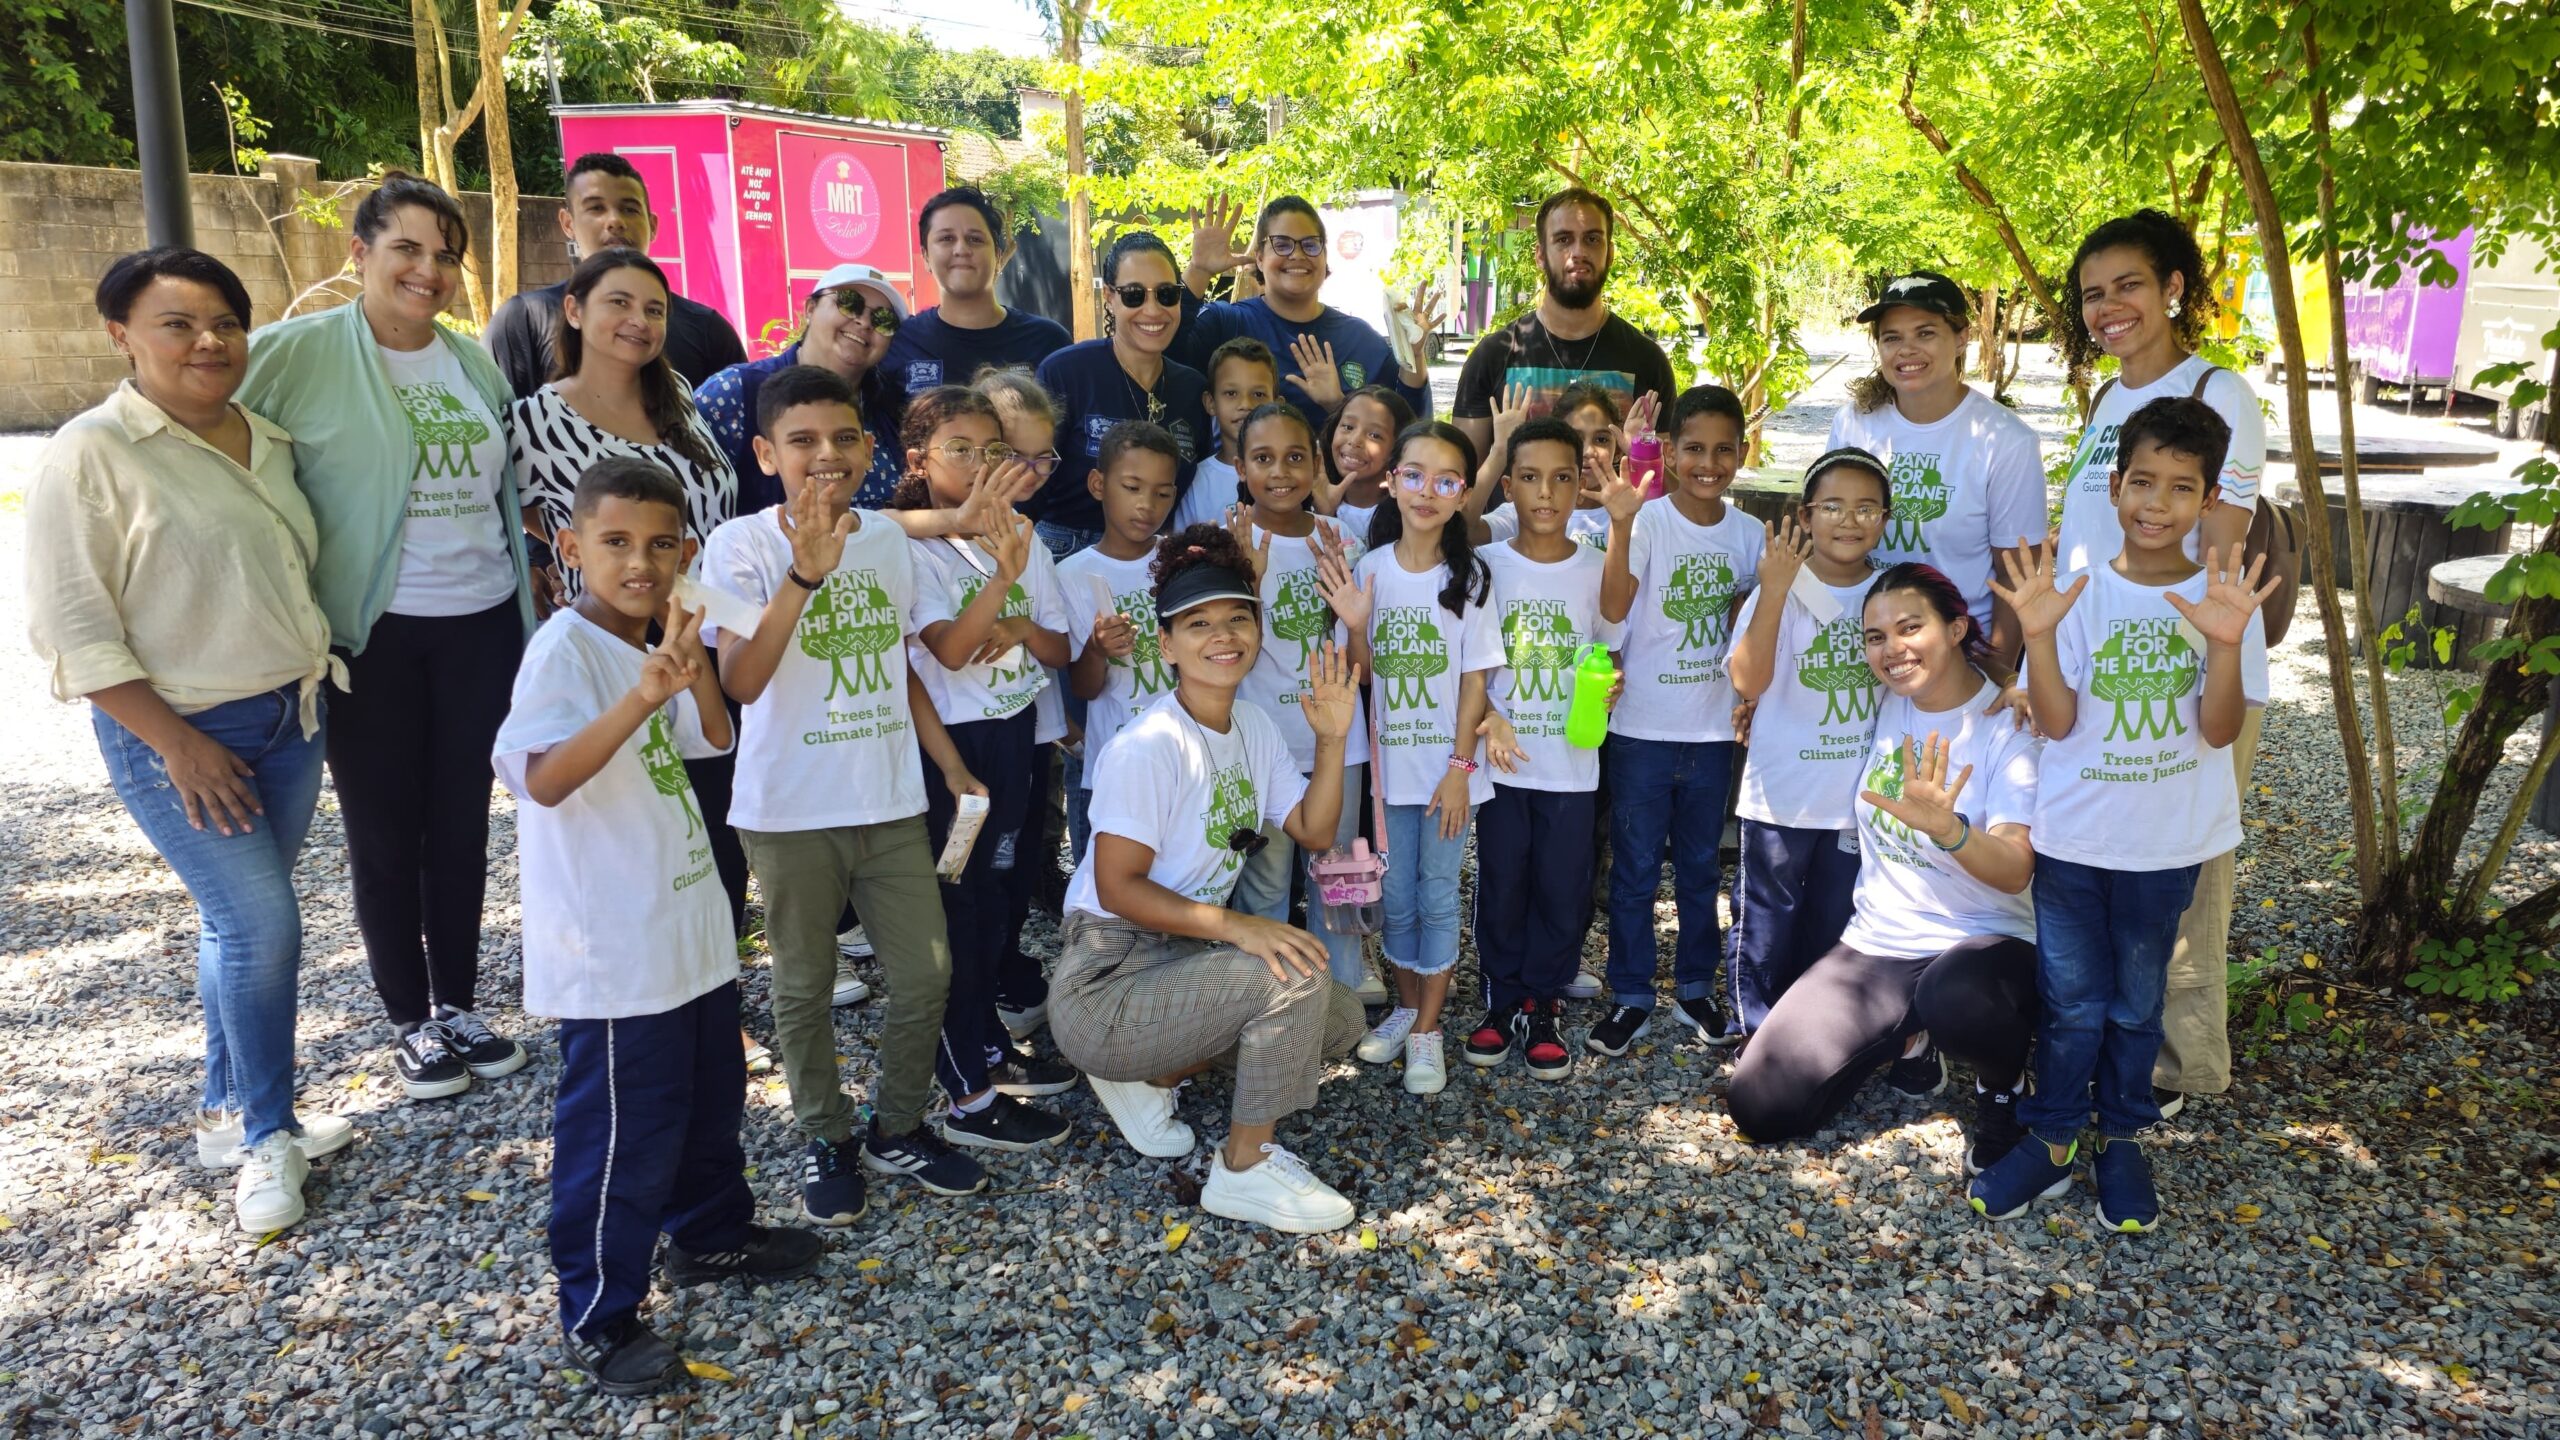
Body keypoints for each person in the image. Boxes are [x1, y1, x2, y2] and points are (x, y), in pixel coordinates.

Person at [26, 248, 351, 1233]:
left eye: (224, 322)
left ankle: (227, 1109)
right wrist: (177, 744)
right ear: (121, 334)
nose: (208, 342)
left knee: (233, 924)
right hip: (176, 737)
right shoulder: (92, 452)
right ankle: (265, 1136)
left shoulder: (271, 437)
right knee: (262, 927)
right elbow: (74, 629)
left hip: (288, 720)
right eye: (178, 323)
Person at [492, 456, 819, 1396]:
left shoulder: (655, 636)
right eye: (617, 543)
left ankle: (711, 1235)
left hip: (686, 930)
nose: (641, 561)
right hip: (615, 951)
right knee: (622, 1131)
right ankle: (598, 1311)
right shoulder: (565, 649)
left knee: (709, 1097)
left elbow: (713, 738)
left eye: (661, 544)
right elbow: (542, 779)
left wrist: (693, 660)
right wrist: (643, 690)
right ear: (571, 545)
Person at [238, 172, 540, 1102]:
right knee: (383, 828)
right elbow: (214, 445)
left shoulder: (470, 364)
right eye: (405, 248)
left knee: (461, 823)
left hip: (482, 623)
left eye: (444, 255)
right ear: (359, 252)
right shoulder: (293, 354)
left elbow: (506, 491)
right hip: (373, 632)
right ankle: (407, 1017)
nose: (428, 270)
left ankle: (458, 1001)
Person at [701, 363, 1001, 1219]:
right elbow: (743, 681)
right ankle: (825, 1134)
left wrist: (944, 762)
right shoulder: (738, 547)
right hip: (790, 812)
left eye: (842, 438)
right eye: (801, 441)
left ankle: (897, 1126)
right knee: (803, 985)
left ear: (868, 450)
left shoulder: (884, 540)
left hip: (891, 803)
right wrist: (802, 576)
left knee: (923, 975)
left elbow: (899, 665)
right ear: (765, 452)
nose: (823, 456)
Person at [1978, 397, 2273, 1233]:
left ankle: (2122, 1137)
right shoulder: (2078, 593)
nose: (2156, 503)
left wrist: (2222, 643)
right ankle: (2055, 1136)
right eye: (2142, 481)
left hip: (2166, 845)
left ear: (2209, 500)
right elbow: (2059, 720)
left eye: (2181, 488)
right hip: (2075, 840)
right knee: (2070, 1002)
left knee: (2136, 1005)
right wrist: (2037, 633)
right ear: (2113, 487)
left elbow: (2219, 730)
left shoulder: (2222, 601)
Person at [1047, 525, 1369, 1233]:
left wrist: (1332, 736)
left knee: (1339, 1022)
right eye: (1198, 625)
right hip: (1109, 975)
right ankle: (1245, 1169)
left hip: (1183, 960)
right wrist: (1238, 927)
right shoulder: (1149, 745)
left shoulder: (1251, 725)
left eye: (1236, 619)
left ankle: (1152, 1073)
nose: (1222, 636)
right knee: (1291, 977)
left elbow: (1314, 832)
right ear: (1167, 644)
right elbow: (1117, 885)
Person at [2052, 209, 2271, 1118]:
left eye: (2128, 285)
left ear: (2174, 286)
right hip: (2097, 665)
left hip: (2193, 667)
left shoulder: (2222, 393)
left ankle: (2179, 1068)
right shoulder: (2108, 401)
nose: (2110, 308)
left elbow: (2217, 548)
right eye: (2093, 294)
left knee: (2184, 877)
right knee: (2100, 856)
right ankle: (2096, 1041)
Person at [1724, 563, 2044, 1169]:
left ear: (1955, 629)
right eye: (1875, 637)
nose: (1892, 650)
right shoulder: (1886, 701)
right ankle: (1905, 1037)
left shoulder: (2009, 726)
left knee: (1956, 996)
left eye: (1909, 628)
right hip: (1877, 946)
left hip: (1983, 943)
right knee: (1759, 1105)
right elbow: (1795, 704)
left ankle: (2003, 1088)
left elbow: (2015, 872)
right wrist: (1757, 713)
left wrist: (1952, 832)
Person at [894, 385, 1082, 1151]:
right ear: (919, 462)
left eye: (992, 451)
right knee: (958, 912)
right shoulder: (907, 544)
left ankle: (987, 1044)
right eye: (960, 450)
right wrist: (1002, 579)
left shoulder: (1022, 533)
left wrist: (1018, 613)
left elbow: (1060, 646)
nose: (980, 466)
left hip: (1014, 738)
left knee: (1000, 894)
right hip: (956, 755)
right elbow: (949, 648)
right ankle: (962, 1082)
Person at [1317, 421, 1510, 1096]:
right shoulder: (1368, 571)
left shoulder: (1471, 577)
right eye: (1415, 475)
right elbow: (1360, 675)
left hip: (1450, 776)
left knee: (1436, 895)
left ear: (1463, 495)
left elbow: (1474, 682)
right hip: (1387, 777)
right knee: (1393, 897)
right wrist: (1359, 623)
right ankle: (1404, 1005)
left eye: (1447, 480)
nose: (1428, 491)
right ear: (1391, 481)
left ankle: (1428, 1029)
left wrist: (1460, 771)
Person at [1589, 385, 1763, 1057]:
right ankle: (1630, 993)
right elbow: (1611, 609)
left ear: (1743, 454)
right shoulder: (1648, 520)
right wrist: (1622, 527)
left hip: (1714, 732)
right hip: (1640, 730)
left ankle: (1696, 985)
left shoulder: (1750, 535)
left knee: (1697, 869)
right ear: (1669, 451)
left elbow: (1757, 618)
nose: (1709, 463)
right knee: (1633, 871)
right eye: (1693, 448)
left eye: (1724, 449)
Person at [1463, 417, 1623, 1079]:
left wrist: (1612, 685)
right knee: (1502, 882)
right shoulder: (1487, 566)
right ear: (1508, 486)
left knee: (1562, 887)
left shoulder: (1595, 567)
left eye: (1563, 477)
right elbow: (1468, 664)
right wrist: (1490, 718)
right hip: (1503, 763)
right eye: (1530, 478)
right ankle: (1502, 998)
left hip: (1571, 764)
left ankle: (1544, 999)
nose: (1547, 493)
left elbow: (1610, 643)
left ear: (1580, 482)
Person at [1723, 448, 1890, 1034]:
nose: (1849, 521)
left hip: (1857, 802)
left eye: (1867, 508)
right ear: (1806, 513)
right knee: (1766, 923)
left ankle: (1816, 1036)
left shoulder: (1893, 592)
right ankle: (1757, 1033)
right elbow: (1748, 680)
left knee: (1834, 923)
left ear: (1886, 520)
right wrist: (1774, 591)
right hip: (1782, 795)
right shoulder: (1786, 585)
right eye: (1834, 507)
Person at [1221, 402, 1381, 1001]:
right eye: (1263, 458)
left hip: (1339, 742)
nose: (1280, 472)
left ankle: (1338, 991)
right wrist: (1250, 586)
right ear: (1241, 466)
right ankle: (1271, 995)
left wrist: (1355, 625)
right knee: (1264, 878)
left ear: (1317, 461)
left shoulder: (1340, 539)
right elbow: (1227, 654)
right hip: (1264, 745)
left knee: (1339, 873)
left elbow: (1360, 666)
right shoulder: (1228, 539)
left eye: (1295, 457)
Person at [1825, 272, 2046, 665]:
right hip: (1862, 649)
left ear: (1962, 337)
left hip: (1957, 660)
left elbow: (2015, 575)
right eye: (1892, 338)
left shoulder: (2005, 440)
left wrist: (1996, 675)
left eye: (1925, 333)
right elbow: (1826, 545)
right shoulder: (1854, 423)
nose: (1906, 350)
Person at [511, 248, 737, 571]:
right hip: (618, 619)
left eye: (654, 310)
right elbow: (518, 514)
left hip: (716, 611)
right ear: (574, 311)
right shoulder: (532, 422)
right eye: (620, 302)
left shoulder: (678, 391)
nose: (640, 321)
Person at [482, 152, 746, 401]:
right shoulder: (523, 321)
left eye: (630, 209)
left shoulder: (708, 331)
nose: (615, 221)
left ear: (652, 225)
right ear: (567, 223)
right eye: (596, 208)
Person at [1451, 188, 1676, 461]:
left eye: (1592, 239)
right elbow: (1461, 481)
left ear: (1610, 253)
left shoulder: (1647, 360)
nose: (1578, 252)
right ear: (1540, 255)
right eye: (1563, 240)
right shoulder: (1493, 355)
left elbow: (1665, 490)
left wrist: (1642, 455)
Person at [1177, 194, 1436, 431]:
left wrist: (1413, 355)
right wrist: (1198, 271)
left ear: (1325, 257)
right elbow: (1165, 360)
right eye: (1282, 244)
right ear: (1259, 258)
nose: (1297, 255)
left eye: (1311, 245)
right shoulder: (1225, 323)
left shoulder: (1361, 340)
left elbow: (1411, 430)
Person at [1030, 233, 1211, 558]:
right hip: (1065, 553)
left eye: (1167, 294)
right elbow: (1028, 482)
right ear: (1109, 297)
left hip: (1155, 558)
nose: (1153, 309)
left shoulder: (1192, 388)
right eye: (1134, 295)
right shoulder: (1066, 372)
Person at [1059, 421, 1186, 860]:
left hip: (1184, 759)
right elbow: (1083, 688)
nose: (1146, 505)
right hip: (1115, 763)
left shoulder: (1180, 561)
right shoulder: (1071, 576)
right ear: (1099, 484)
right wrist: (1097, 649)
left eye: (1163, 493)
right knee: (1112, 886)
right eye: (1132, 487)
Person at [695, 263, 909, 513]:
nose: (864, 322)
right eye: (850, 303)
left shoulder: (893, 406)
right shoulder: (736, 391)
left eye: (884, 319)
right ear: (810, 308)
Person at [880, 186, 1072, 394]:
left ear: (998, 256)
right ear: (926, 257)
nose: (961, 249)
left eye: (975, 239)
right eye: (946, 239)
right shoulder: (900, 343)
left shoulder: (1049, 341)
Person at [1167, 336, 1278, 535]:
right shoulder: (1195, 481)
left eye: (1258, 394)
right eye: (1231, 393)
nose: (1245, 404)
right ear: (1210, 403)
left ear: (1277, 404)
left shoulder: (1290, 472)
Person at [1317, 385, 1417, 544]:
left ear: (1398, 447)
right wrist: (1323, 514)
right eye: (1348, 427)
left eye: (1374, 435)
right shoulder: (1308, 498)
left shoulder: (1409, 513)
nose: (1355, 441)